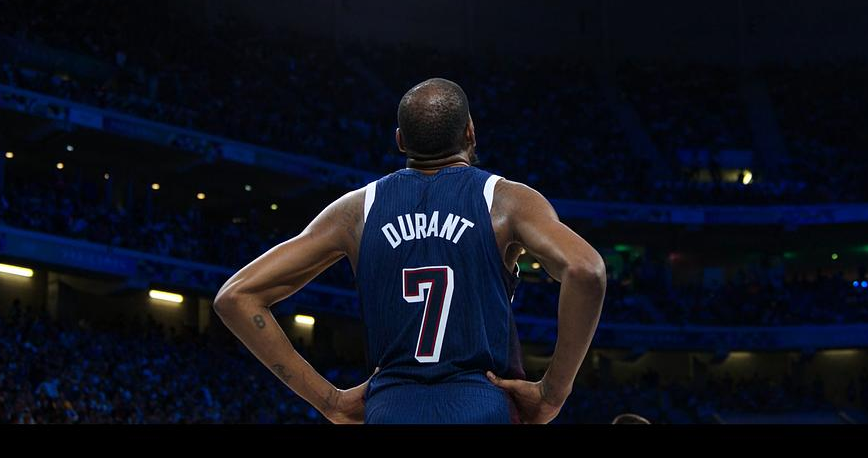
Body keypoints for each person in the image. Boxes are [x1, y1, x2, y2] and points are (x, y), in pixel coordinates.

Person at [213, 77, 606, 424]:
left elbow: (235, 297)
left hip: (389, 407)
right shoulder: (506, 202)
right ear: (470, 132)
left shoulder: (356, 211)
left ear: (400, 140)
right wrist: (552, 393)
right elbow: (586, 270)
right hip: (482, 404)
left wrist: (329, 401)